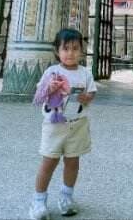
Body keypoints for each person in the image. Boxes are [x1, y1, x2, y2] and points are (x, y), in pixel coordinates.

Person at [29, 29, 97, 220]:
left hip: (78, 125)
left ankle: (66, 198)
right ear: (57, 51)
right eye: (66, 48)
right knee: (49, 162)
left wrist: (87, 97)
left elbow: (92, 93)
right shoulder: (52, 72)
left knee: (73, 162)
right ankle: (38, 201)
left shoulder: (85, 73)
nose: (70, 53)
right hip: (54, 126)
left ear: (82, 51)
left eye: (75, 48)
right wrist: (48, 88)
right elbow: (38, 96)